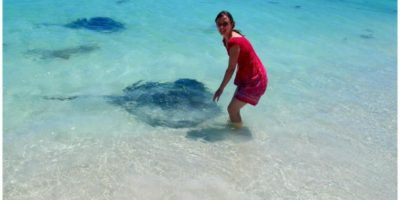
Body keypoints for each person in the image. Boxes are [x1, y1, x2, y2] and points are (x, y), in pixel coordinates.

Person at [213, 11, 268, 129]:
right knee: (233, 110)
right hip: (247, 76)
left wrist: (220, 89)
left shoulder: (234, 41)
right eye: (219, 24)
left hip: (255, 79)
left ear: (232, 24)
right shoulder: (227, 39)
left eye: (225, 24)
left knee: (232, 109)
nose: (221, 27)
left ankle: (237, 138)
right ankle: (236, 132)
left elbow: (231, 68)